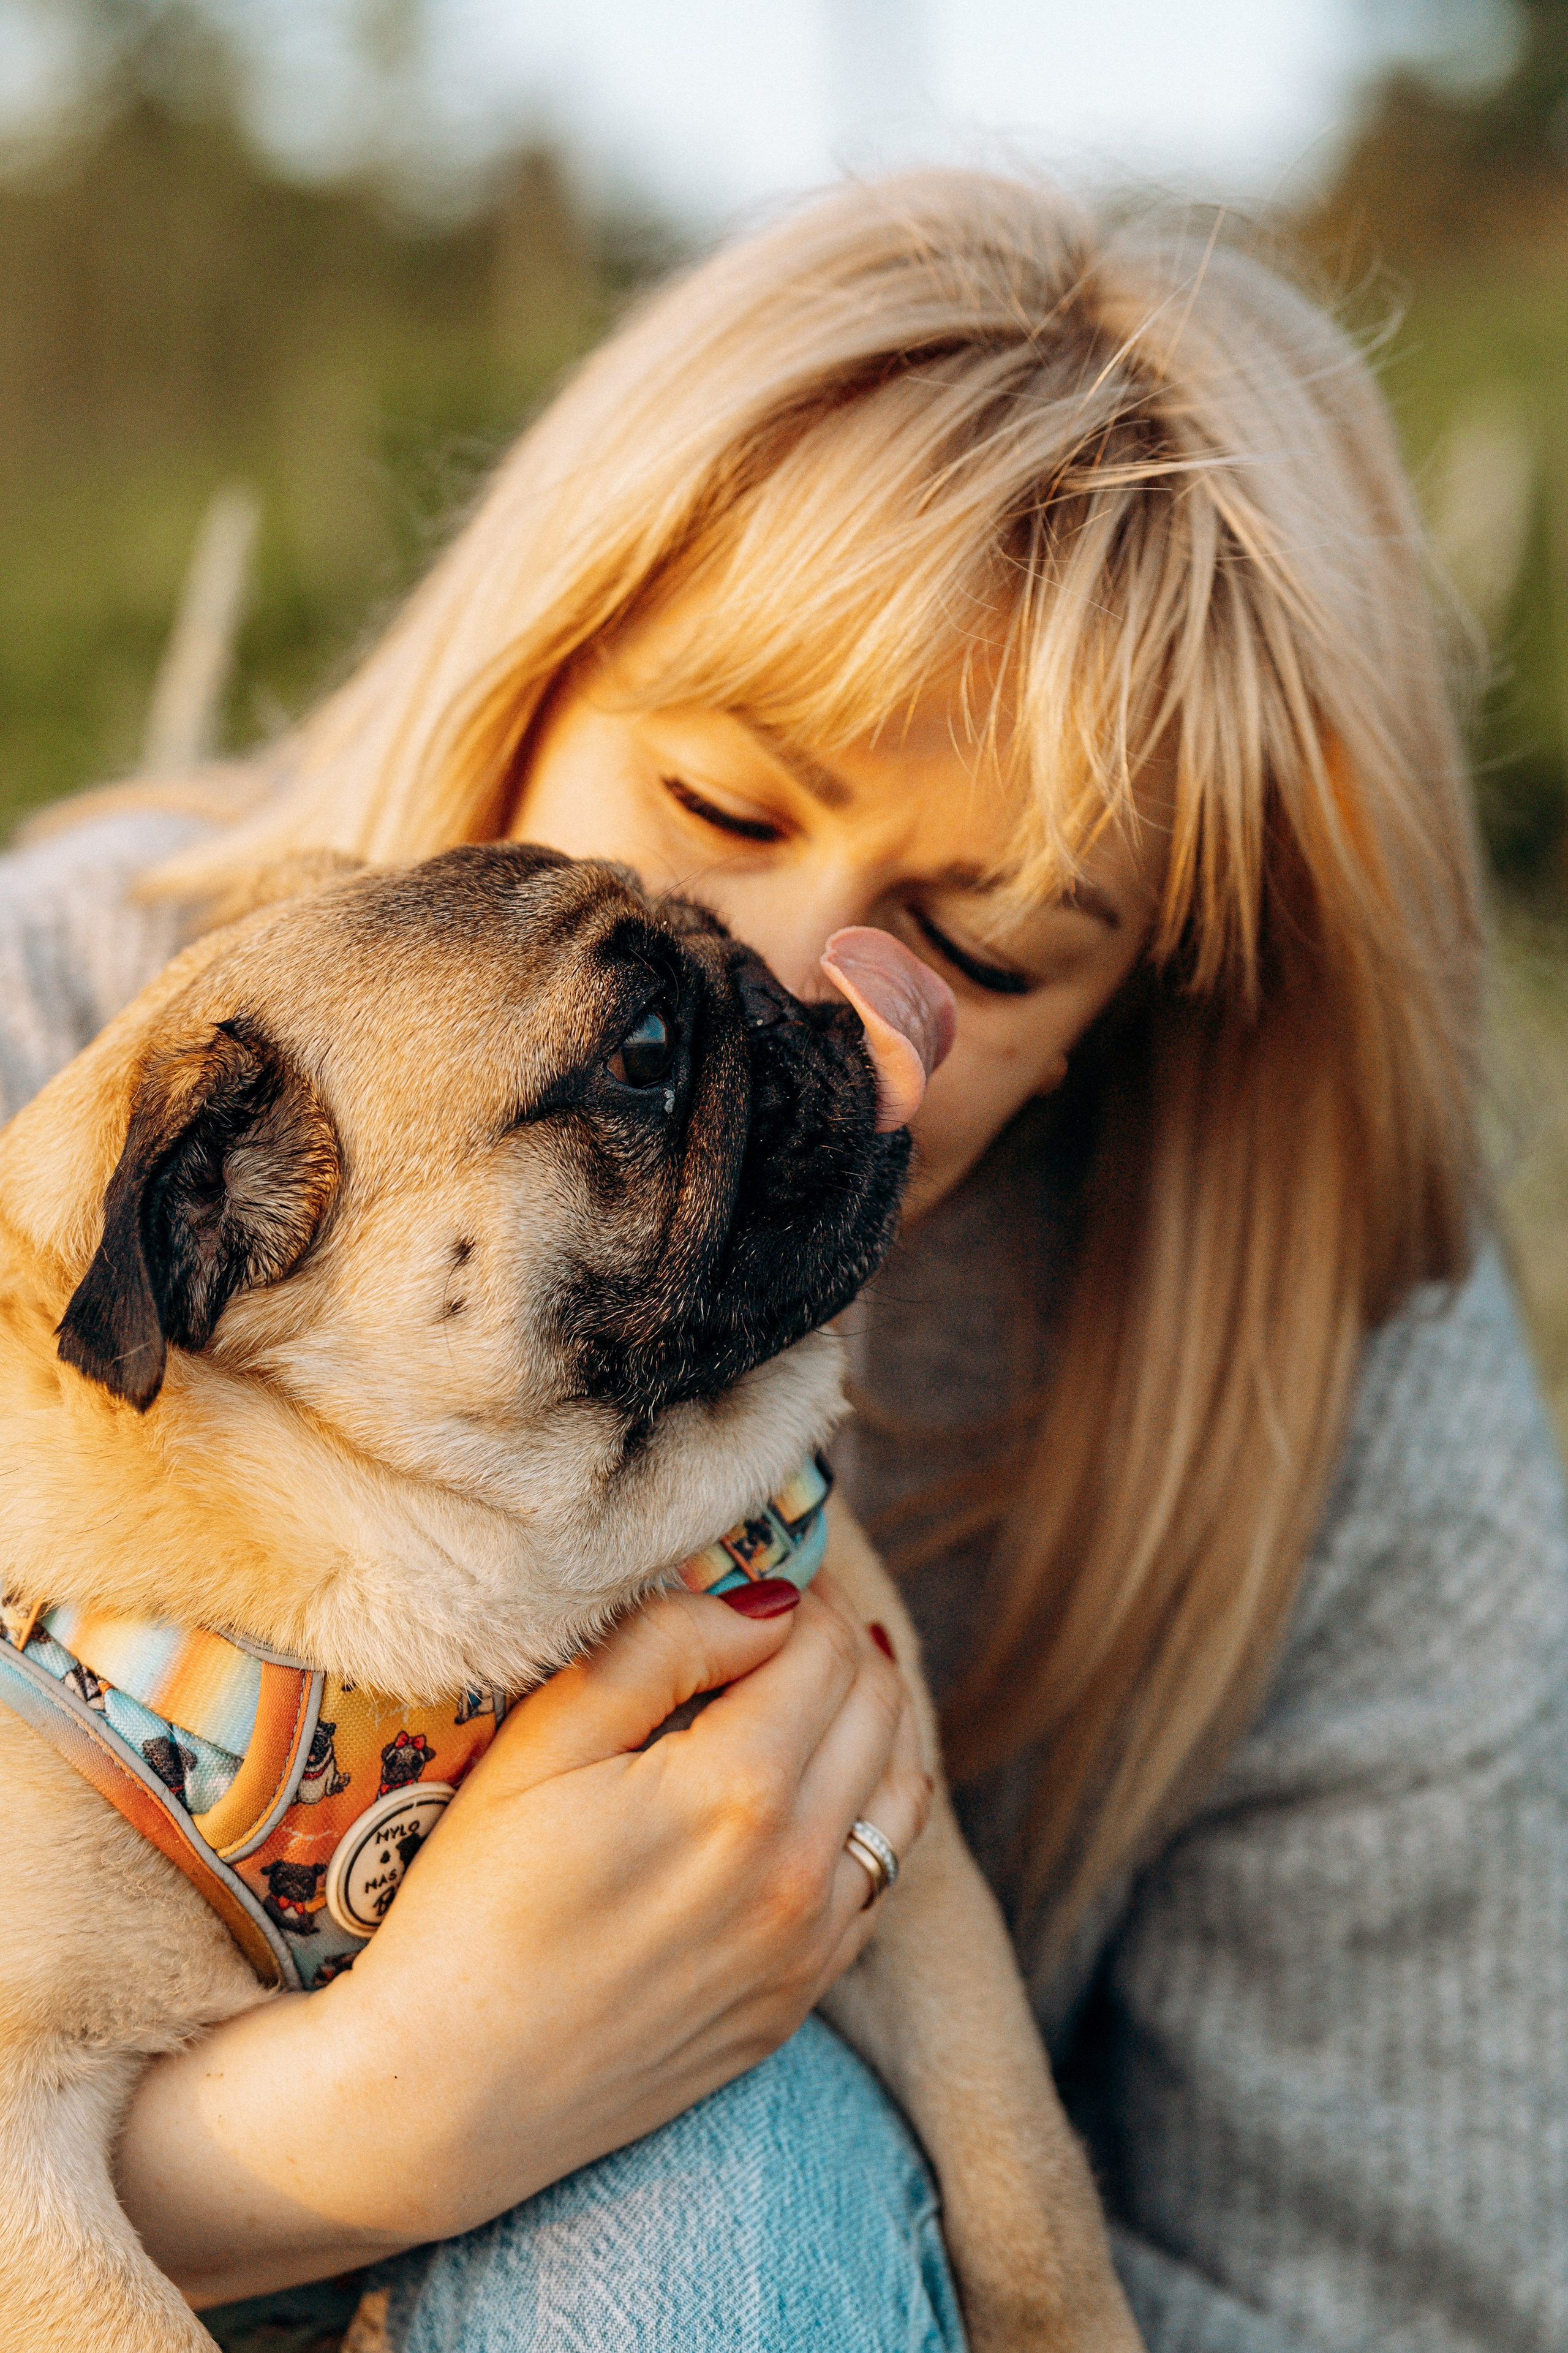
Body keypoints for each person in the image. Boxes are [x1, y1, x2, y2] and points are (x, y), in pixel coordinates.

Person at [1, 169, 1563, 2353]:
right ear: (543, 667)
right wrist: (390, 2118)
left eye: (985, 946)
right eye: (725, 813)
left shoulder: (1340, 1371)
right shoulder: (87, 1059)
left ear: (1149, 1005)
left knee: (712, 2182)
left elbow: (1394, 2298)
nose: (819, 986)